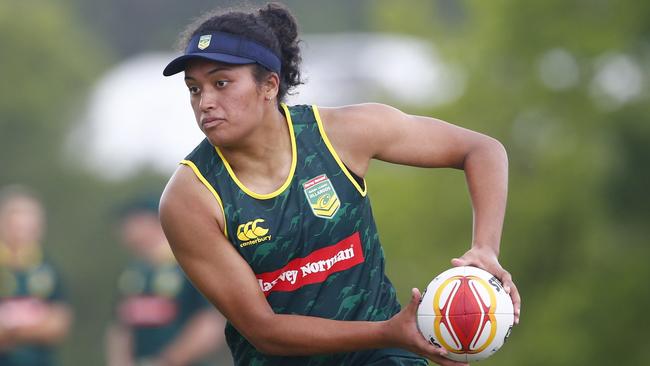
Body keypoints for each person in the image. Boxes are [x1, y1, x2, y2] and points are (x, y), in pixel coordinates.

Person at [159, 3, 521, 366]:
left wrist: (485, 249)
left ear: (269, 85)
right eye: (194, 89)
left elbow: (482, 150)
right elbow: (262, 329)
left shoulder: (341, 135)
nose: (205, 102)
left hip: (383, 357)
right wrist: (390, 331)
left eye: (221, 83)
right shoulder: (190, 198)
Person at [105, 197, 226, 366]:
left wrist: (168, 360)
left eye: (132, 221)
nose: (124, 229)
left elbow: (211, 323)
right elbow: (120, 325)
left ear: (154, 221)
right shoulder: (133, 271)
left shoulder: (188, 264)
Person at [0, 186, 72, 366]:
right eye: (15, 218)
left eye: (29, 220)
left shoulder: (50, 269)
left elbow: (58, 326)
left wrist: (11, 330)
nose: (22, 226)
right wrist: (36, 326)